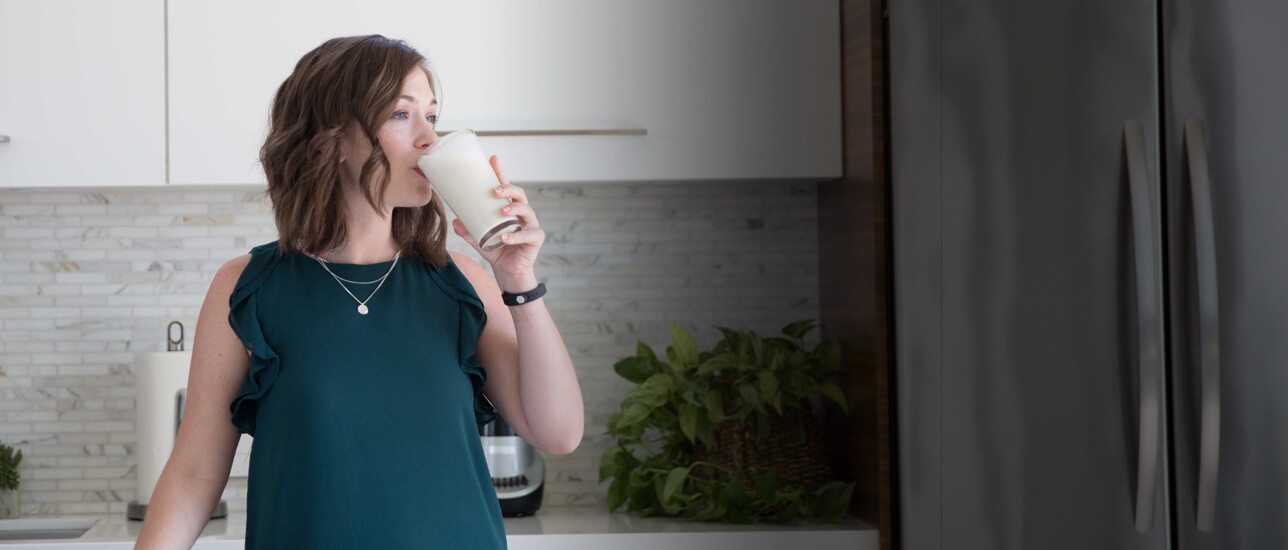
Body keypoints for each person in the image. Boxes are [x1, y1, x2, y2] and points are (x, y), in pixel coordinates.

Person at [135, 35, 584, 549]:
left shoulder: (464, 284)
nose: (430, 139)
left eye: (432, 117)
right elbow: (193, 473)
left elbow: (559, 433)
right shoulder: (247, 289)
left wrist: (519, 279)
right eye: (401, 115)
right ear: (332, 139)